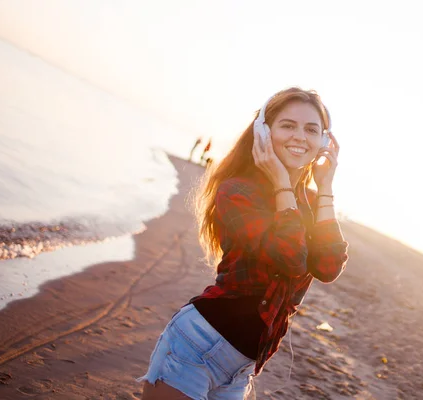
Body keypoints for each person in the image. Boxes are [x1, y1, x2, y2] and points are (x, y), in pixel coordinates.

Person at [138, 87, 349, 399]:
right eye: (287, 125)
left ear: (323, 141)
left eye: (311, 129)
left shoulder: (315, 201)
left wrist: (326, 185)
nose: (300, 137)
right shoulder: (238, 192)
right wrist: (280, 181)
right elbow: (290, 258)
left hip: (242, 368)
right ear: (263, 132)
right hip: (195, 345)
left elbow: (329, 267)